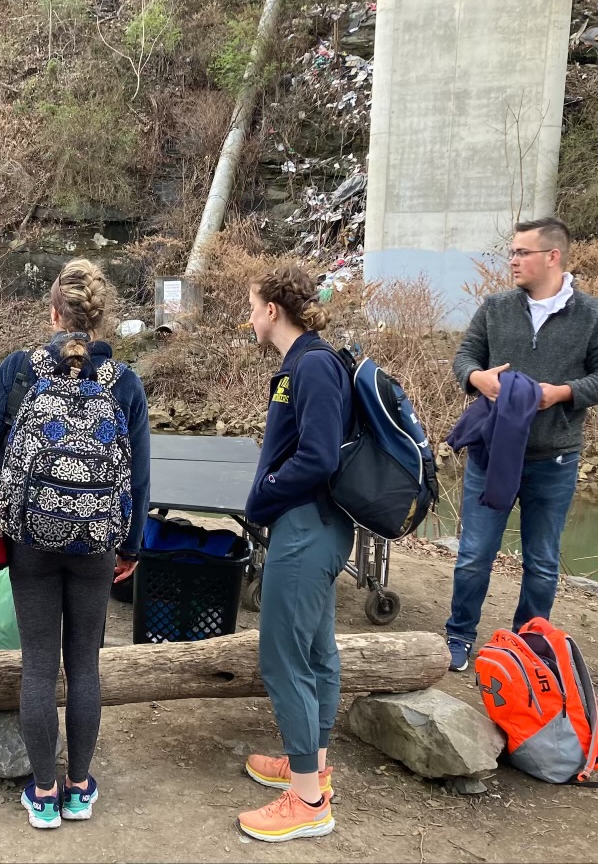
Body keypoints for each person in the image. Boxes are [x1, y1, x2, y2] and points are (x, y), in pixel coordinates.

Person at [0, 259, 151, 829]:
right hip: (97, 543)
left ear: (53, 313)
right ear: (101, 317)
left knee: (39, 665)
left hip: (32, 541)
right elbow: (139, 476)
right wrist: (131, 546)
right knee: (85, 667)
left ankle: (42, 794)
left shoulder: (21, 370)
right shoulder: (125, 382)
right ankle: (79, 788)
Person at [446, 217, 598, 672]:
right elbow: (465, 354)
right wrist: (476, 378)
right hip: (491, 455)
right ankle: (459, 635)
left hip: (555, 459)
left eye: (521, 252)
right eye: (511, 252)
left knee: (542, 564)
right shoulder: (495, 307)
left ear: (553, 256)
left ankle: (526, 649)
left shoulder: (593, 315)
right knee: (473, 556)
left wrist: (561, 393)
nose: (511, 260)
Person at [238, 264, 354, 843]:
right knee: (315, 650)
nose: (250, 317)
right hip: (312, 525)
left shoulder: (312, 365)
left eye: (253, 306)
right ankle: (312, 760)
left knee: (283, 658)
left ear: (273, 311)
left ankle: (308, 798)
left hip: (307, 528)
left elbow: (319, 457)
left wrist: (263, 494)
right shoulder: (305, 362)